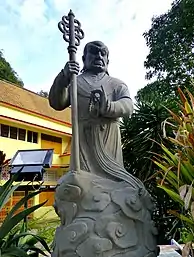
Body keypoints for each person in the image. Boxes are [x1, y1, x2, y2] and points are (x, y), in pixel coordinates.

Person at [49, 41, 136, 184]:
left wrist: (109, 107)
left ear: (108, 60)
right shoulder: (74, 82)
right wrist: (63, 77)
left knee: (113, 183)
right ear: (84, 59)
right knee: (82, 183)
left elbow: (128, 106)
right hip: (83, 139)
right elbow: (56, 103)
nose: (99, 56)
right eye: (94, 52)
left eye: (103, 53)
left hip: (108, 137)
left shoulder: (116, 84)